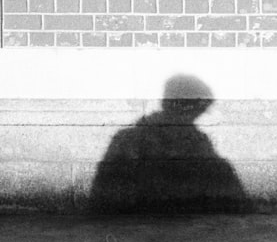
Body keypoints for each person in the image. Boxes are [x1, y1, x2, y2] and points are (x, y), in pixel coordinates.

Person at [88, 75, 252, 215]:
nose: (199, 114)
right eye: (199, 109)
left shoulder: (126, 138)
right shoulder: (193, 144)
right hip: (150, 227)